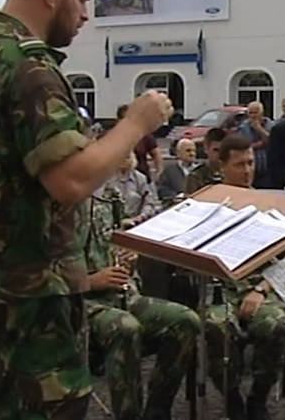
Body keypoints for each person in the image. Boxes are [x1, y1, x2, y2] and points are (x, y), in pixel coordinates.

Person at [0, 0, 172, 420]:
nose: (86, 14)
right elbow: (70, 181)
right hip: (30, 286)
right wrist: (136, 124)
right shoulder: (27, 66)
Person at [84, 178, 200, 420]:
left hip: (122, 295)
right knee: (126, 328)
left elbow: (118, 243)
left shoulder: (109, 196)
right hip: (79, 304)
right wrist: (90, 281)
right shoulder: (56, 205)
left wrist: (129, 259)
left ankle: (158, 410)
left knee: (186, 320)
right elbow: (38, 273)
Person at [206, 134, 285, 420]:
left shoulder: (267, 205)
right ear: (222, 166)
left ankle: (259, 396)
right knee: (216, 326)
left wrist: (262, 289)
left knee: (275, 324)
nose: (247, 171)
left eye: (250, 163)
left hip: (258, 286)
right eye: (239, 165)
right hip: (218, 287)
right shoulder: (207, 204)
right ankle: (231, 395)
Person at [103, 151, 162, 226]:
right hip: (112, 223)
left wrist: (141, 217)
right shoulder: (106, 178)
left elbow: (149, 203)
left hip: (136, 222)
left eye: (127, 157)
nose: (123, 160)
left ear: (133, 160)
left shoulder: (140, 178)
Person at [116, 104, 165, 184]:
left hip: (142, 178)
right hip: (117, 179)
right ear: (119, 120)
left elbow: (156, 153)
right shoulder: (110, 136)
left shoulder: (144, 135)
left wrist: (159, 171)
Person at [237, 101, 272, 188]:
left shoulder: (270, 125)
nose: (253, 116)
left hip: (268, 171)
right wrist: (260, 144)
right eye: (250, 113)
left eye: (255, 113)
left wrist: (259, 129)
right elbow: (242, 146)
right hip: (252, 172)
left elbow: (273, 142)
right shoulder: (243, 128)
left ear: (262, 113)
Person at [184, 127, 226, 194]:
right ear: (206, 148)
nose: (220, 155)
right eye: (216, 150)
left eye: (223, 150)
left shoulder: (232, 173)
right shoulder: (195, 176)